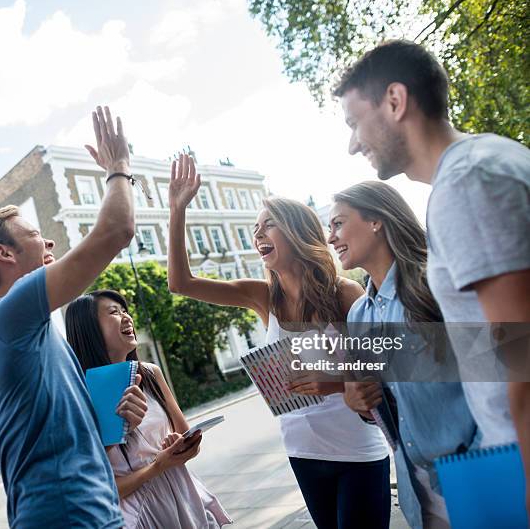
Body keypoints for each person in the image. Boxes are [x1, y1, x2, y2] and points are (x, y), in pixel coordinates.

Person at [333, 40, 530, 508]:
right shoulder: (485, 161)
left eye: (355, 122)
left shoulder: (467, 184)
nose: (354, 142)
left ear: (395, 102)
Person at [167, 154, 390, 528]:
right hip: (302, 452)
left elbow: (380, 372)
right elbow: (181, 283)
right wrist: (177, 209)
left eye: (268, 225)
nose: (257, 236)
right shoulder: (262, 297)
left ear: (298, 232)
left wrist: (332, 384)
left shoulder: (345, 294)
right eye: (256, 229)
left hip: (357, 452)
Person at [0, 106, 142, 528]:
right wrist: (119, 167)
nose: (49, 238)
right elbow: (117, 231)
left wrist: (118, 417)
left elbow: (66, 436)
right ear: (3, 253)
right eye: (35, 234)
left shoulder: (26, 333)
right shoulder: (7, 315)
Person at [328, 181, 478, 528]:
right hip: (418, 492)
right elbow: (382, 407)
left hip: (476, 468)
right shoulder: (359, 316)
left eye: (338, 223)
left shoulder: (436, 283)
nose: (331, 238)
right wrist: (359, 401)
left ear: (376, 220)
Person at [65, 289, 231, 529]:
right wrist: (157, 465)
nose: (126, 317)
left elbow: (187, 440)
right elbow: (100, 489)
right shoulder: (79, 396)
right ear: (88, 329)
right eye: (113, 312)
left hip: (184, 496)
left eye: (125, 310)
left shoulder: (150, 373)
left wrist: (180, 446)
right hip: (139, 516)